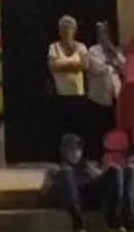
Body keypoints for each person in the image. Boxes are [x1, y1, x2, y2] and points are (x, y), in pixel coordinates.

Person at [48, 15, 94, 151]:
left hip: (78, 96)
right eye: (63, 28)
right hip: (61, 96)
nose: (66, 31)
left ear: (75, 30)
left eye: (69, 28)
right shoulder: (54, 47)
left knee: (78, 129)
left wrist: (63, 65)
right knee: (61, 129)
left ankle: (80, 155)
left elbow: (85, 65)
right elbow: (52, 66)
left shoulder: (81, 47)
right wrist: (74, 66)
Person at [84, 20, 126, 152]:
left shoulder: (115, 50)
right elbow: (98, 68)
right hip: (99, 97)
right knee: (98, 128)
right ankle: (96, 154)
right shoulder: (92, 50)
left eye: (105, 32)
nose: (103, 36)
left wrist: (112, 51)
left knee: (114, 127)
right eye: (101, 33)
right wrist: (112, 65)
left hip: (115, 96)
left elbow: (125, 66)